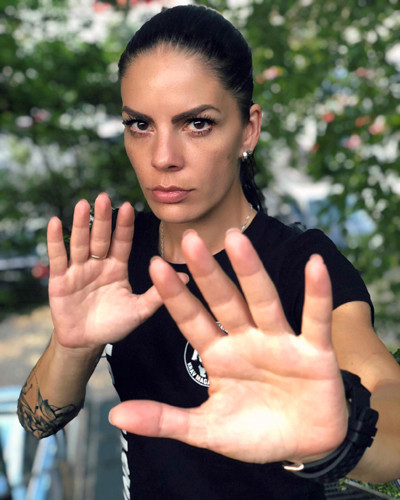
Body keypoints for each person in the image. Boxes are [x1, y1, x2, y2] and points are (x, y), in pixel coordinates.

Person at [17, 5, 400, 499]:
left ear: (248, 129)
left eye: (197, 123)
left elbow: (390, 404)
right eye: (140, 125)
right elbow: (37, 421)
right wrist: (72, 347)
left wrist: (335, 439)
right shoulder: (117, 261)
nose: (163, 157)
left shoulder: (302, 265)